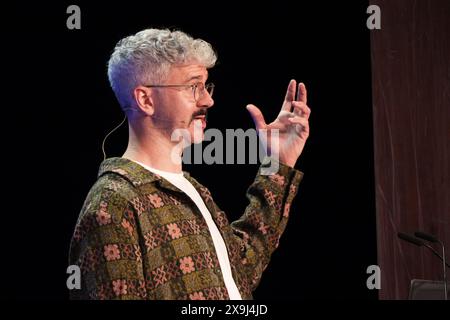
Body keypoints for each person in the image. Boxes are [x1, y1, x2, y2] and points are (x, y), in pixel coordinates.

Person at [69, 28, 311, 300]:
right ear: (146, 99)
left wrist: (278, 163)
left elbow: (239, 272)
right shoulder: (113, 205)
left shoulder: (192, 189)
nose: (208, 99)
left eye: (206, 87)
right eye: (193, 86)